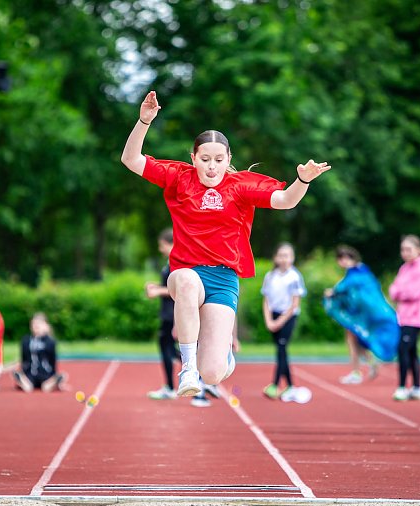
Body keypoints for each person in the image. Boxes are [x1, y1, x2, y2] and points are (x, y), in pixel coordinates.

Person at [121, 90, 330, 398]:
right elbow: (130, 159)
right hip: (185, 271)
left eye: (218, 160)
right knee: (188, 284)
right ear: (193, 158)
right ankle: (187, 368)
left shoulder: (241, 186)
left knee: (213, 372)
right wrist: (144, 121)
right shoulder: (179, 178)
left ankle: (211, 364)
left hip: (223, 279)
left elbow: (286, 200)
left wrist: (303, 180)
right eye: (204, 159)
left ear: (229, 159)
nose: (211, 167)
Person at [323, 245, 394, 384]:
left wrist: (333, 291)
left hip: (361, 313)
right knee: (355, 339)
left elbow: (346, 286)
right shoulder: (358, 271)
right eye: (341, 259)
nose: (343, 262)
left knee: (353, 339)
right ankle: (368, 363)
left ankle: (358, 371)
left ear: (352, 257)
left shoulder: (358, 272)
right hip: (357, 311)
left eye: (346, 258)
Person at [388, 235, 420, 401]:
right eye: (403, 249)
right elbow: (393, 290)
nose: (405, 253)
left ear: (418, 250)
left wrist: (401, 293)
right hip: (404, 316)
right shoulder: (405, 268)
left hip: (417, 316)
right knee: (411, 351)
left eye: (408, 249)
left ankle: (402, 387)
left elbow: (413, 292)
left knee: (403, 350)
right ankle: (417, 388)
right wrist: (400, 293)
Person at [261, 243, 306, 400]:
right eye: (281, 255)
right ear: (275, 258)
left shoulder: (294, 277)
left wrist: (279, 321)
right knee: (281, 350)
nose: (284, 259)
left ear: (292, 258)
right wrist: (269, 320)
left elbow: (295, 304)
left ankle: (274, 385)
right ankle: (290, 386)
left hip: (288, 316)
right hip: (273, 315)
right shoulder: (270, 276)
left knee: (281, 347)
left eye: (287, 255)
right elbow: (266, 300)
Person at [145, 229, 180, 400]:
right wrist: (156, 287)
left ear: (170, 243)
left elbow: (178, 289)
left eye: (162, 245)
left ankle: (171, 387)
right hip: (169, 312)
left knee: (168, 348)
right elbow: (168, 285)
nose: (160, 249)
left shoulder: (177, 262)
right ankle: (201, 380)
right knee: (171, 349)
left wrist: (158, 291)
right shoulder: (170, 262)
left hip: (172, 313)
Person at [13, 313, 68, 393]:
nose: (36, 327)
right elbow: (24, 359)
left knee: (46, 388)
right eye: (34, 324)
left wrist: (54, 374)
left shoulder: (50, 342)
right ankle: (21, 378)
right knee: (28, 388)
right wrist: (23, 371)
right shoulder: (26, 340)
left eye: (39, 324)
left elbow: (52, 360)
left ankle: (56, 380)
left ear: (46, 326)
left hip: (45, 373)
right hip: (31, 373)